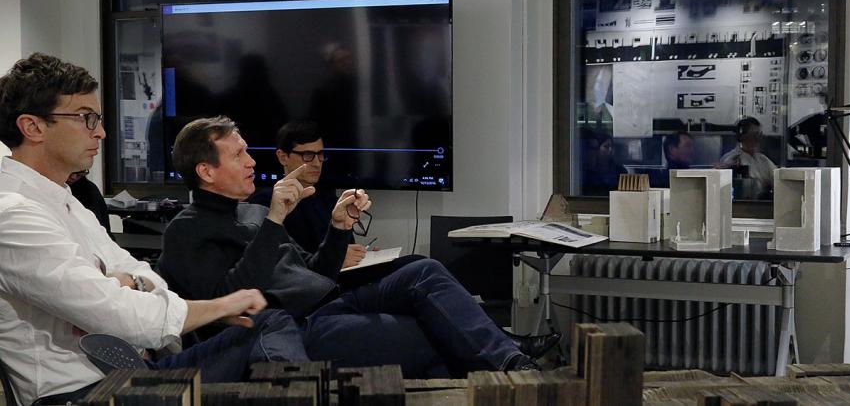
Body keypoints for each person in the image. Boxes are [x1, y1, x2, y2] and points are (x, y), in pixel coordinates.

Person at [0, 54, 309, 405]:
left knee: (270, 325)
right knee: (269, 332)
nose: (100, 131)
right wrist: (220, 305)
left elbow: (143, 276)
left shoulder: (68, 202)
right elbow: (122, 317)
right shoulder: (12, 213)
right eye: (86, 118)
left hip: (132, 372)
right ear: (33, 127)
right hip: (82, 393)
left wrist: (129, 282)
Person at [159, 116, 541, 378]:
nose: (251, 161)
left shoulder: (251, 214)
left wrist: (339, 228)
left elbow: (314, 274)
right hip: (286, 331)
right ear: (206, 171)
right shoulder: (186, 230)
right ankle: (507, 369)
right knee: (429, 333)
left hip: (327, 305)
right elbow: (227, 301)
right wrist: (275, 221)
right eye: (238, 154)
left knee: (423, 270)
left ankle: (514, 364)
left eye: (246, 151)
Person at [717, 117, 777, 198]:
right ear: (742, 137)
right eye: (754, 135)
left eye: (760, 135)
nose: (758, 139)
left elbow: (777, 179)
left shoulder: (763, 159)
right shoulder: (731, 159)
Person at [67, 169, 112, 236]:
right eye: (70, 172)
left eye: (80, 174)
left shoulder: (89, 189)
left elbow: (96, 225)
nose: (73, 177)